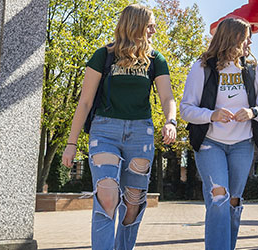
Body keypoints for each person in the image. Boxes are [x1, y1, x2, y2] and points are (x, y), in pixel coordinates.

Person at [60, 4, 177, 250]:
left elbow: (167, 98)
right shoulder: (103, 56)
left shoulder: (156, 59)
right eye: (150, 25)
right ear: (135, 25)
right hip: (105, 132)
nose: (154, 30)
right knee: (107, 194)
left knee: (133, 201)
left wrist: (170, 121)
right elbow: (85, 102)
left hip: (140, 135)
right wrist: (71, 144)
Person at [180, 17, 258, 250]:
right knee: (218, 198)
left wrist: (253, 112)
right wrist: (211, 115)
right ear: (231, 38)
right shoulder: (202, 67)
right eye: (246, 38)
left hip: (242, 144)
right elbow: (186, 109)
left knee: (233, 202)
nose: (250, 44)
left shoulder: (254, 68)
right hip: (210, 143)